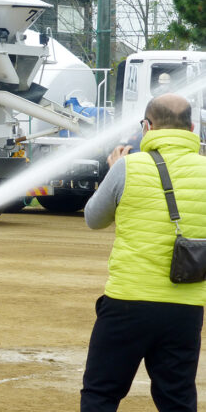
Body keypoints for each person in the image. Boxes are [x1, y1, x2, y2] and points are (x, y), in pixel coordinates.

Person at [81, 93, 206, 411]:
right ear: (192, 127)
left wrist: (112, 171)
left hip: (128, 301)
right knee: (177, 398)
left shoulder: (127, 167)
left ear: (147, 127)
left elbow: (94, 219)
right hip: (186, 306)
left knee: (101, 393)